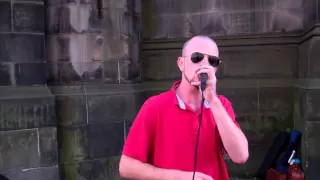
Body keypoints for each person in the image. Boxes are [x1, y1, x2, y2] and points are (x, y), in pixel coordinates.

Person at [119, 35, 249, 180]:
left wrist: (213, 100)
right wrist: (178, 177)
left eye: (212, 61)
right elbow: (126, 166)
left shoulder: (221, 106)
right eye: (197, 57)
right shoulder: (155, 106)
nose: (204, 65)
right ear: (181, 63)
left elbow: (241, 156)